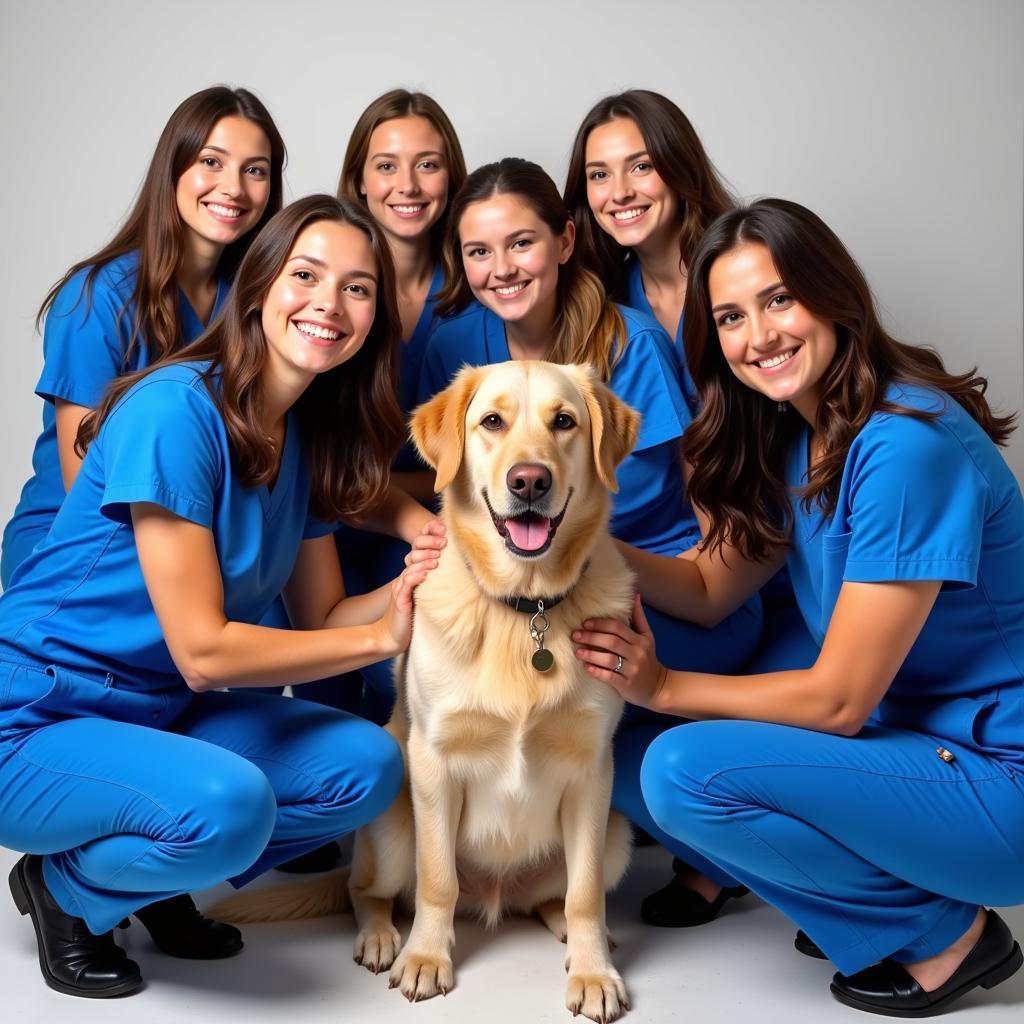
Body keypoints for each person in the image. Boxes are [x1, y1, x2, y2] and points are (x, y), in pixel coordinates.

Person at [572, 197, 1024, 1016]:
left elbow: (841, 701)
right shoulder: (797, 436)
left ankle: (940, 938)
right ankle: (859, 894)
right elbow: (711, 592)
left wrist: (665, 686)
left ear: (833, 295)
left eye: (779, 299)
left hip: (1002, 778)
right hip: (917, 745)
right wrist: (573, 543)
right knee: (628, 753)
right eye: (732, 317)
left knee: (681, 764)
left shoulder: (906, 446)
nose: (760, 336)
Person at [0, 194, 442, 998]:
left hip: (159, 711)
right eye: (306, 275)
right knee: (232, 807)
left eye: (357, 288)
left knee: (369, 764)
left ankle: (151, 877)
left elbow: (325, 620)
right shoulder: (175, 410)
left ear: (375, 315)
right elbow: (204, 653)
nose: (329, 304)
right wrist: (382, 641)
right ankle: (64, 892)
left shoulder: (304, 434)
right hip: (35, 717)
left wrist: (415, 592)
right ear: (262, 283)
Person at [417, 156, 764, 881]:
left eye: (521, 243)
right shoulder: (455, 347)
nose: (501, 268)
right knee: (442, 679)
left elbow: (715, 513)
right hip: (538, 582)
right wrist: (422, 533)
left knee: (547, 699)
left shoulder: (627, 345)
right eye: (478, 251)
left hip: (657, 591)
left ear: (566, 242)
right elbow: (429, 467)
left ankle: (716, 859)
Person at [566, 89, 821, 925]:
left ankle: (803, 877)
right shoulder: (610, 295)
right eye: (599, 174)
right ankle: (716, 856)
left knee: (810, 716)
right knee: (624, 685)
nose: (621, 190)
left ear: (679, 166)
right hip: (700, 540)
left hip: (778, 530)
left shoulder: (747, 259)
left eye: (641, 165)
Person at [1, 85, 285, 588]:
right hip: (83, 545)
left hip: (198, 530)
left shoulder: (256, 301)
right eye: (211, 162)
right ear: (173, 168)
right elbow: (82, 484)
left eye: (255, 170)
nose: (234, 188)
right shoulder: (96, 298)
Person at [290, 90, 466, 726]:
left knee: (414, 658)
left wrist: (391, 496)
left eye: (428, 163)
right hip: (317, 523)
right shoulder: (319, 296)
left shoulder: (488, 287)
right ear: (358, 180)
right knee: (318, 683)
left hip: (417, 522)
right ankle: (327, 814)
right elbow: (305, 459)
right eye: (386, 165)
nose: (408, 184)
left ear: (452, 176)